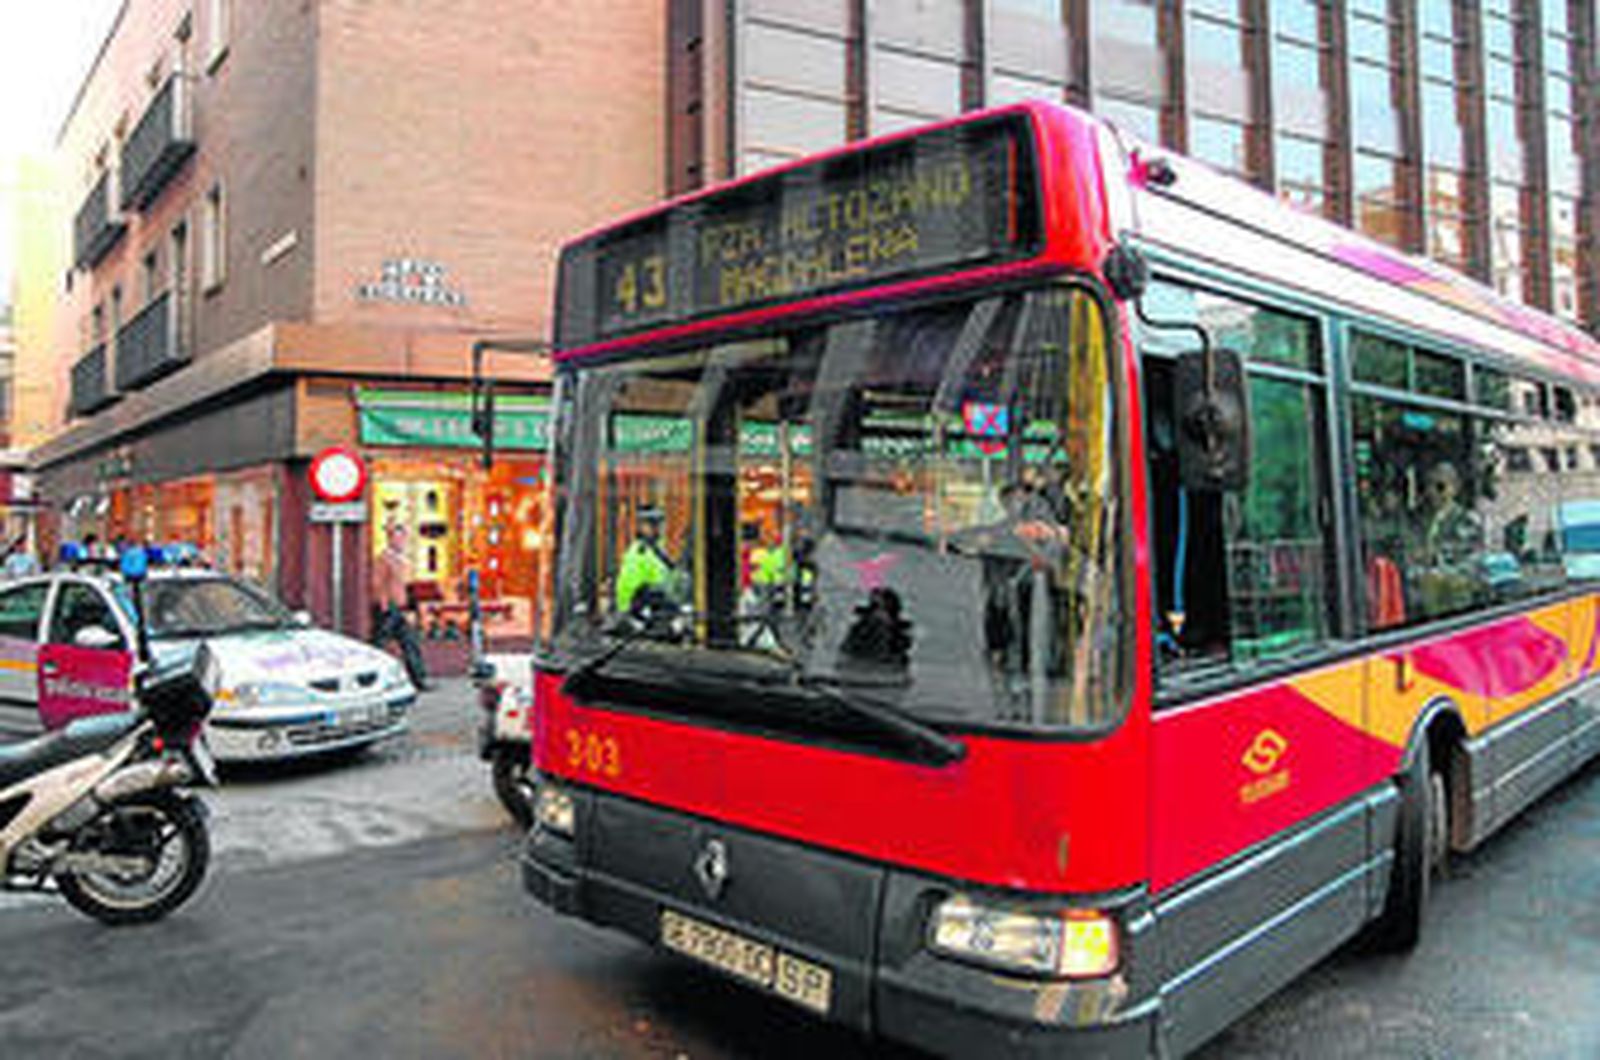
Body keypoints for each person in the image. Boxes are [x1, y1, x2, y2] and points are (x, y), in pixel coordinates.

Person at [371, 520, 430, 689]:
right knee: (380, 645)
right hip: (389, 609)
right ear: (390, 539)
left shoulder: (401, 560)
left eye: (404, 538)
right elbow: (377, 583)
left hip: (400, 609)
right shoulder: (383, 559)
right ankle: (375, 677)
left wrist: (409, 607)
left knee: (410, 642)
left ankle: (419, 679)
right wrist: (384, 606)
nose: (402, 541)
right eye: (399, 538)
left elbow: (404, 586)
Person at [616, 506, 675, 617]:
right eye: (652, 524)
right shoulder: (638, 552)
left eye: (659, 524)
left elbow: (669, 577)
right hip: (640, 613)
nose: (657, 529)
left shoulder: (658, 550)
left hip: (660, 608)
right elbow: (628, 588)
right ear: (641, 526)